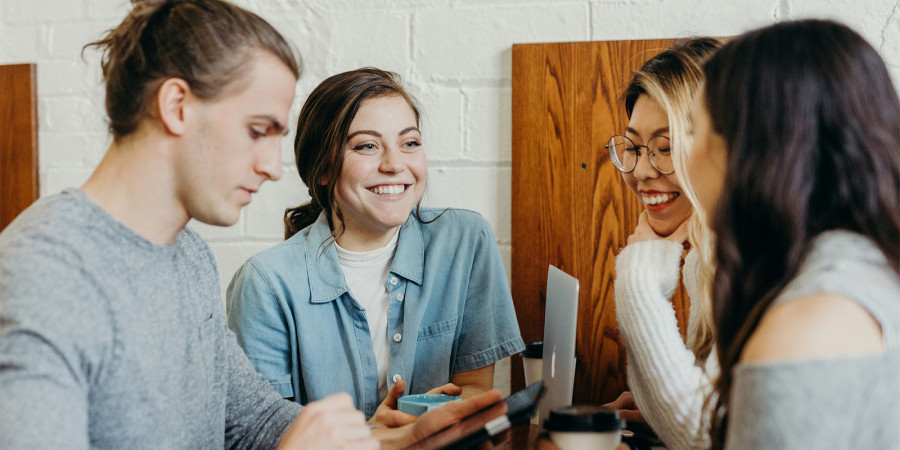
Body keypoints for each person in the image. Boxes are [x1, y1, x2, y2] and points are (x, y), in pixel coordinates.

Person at [0, 1, 504, 448]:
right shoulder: (43, 276)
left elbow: (254, 422)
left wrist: (377, 439)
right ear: (176, 106)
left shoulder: (187, 256)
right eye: (257, 130)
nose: (272, 166)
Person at [226, 67, 525, 422]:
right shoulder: (264, 284)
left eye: (409, 143)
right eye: (367, 146)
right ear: (321, 169)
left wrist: (440, 414)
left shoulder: (465, 241)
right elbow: (261, 434)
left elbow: (475, 387)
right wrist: (375, 438)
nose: (395, 164)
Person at [690, 20, 900, 449]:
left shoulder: (807, 327)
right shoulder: (872, 270)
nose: (682, 159)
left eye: (693, 131)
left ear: (747, 150)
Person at [602, 38, 722, 450]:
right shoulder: (706, 257)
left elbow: (709, 437)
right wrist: (659, 412)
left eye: (665, 149)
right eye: (634, 148)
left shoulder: (761, 260)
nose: (640, 172)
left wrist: (638, 282)